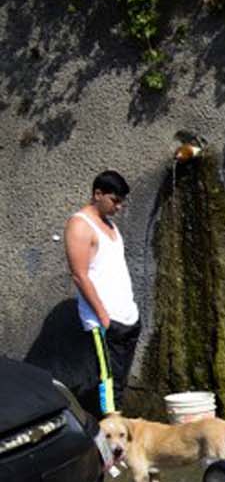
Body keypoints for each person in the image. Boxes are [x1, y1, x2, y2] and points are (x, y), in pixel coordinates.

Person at [66, 170, 140, 415]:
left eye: (121, 201)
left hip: (128, 317)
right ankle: (109, 442)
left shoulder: (109, 225)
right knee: (108, 383)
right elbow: (80, 275)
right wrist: (104, 318)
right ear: (98, 194)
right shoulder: (80, 225)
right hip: (104, 322)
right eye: (114, 200)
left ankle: (117, 438)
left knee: (119, 382)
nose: (118, 207)